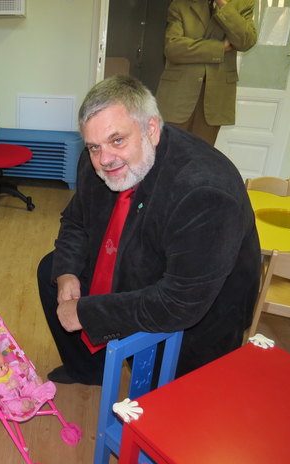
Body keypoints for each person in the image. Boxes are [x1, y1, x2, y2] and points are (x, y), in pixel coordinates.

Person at [37, 75, 261, 386]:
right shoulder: (99, 159)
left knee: (161, 403)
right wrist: (67, 273)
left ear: (151, 130)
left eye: (117, 140)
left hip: (200, 309)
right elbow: (76, 220)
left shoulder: (204, 191)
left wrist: (87, 313)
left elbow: (179, 304)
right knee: (51, 268)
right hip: (140, 259)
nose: (104, 160)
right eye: (93, 146)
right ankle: (89, 369)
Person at [155, 0, 257, 146]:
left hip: (216, 95)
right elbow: (173, 49)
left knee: (201, 155)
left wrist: (223, 5)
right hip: (178, 93)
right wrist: (220, 47)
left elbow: (245, 41)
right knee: (167, 151)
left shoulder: (243, 4)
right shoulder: (180, 4)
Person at [0, 350, 56, 418]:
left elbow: (17, 369)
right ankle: (26, 406)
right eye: (1, 367)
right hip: (10, 400)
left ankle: (38, 392)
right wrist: (8, 387)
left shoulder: (10, 369)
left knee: (33, 383)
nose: (5, 367)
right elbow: (0, 390)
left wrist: (21, 368)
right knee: (12, 406)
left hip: (22, 389)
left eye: (5, 363)